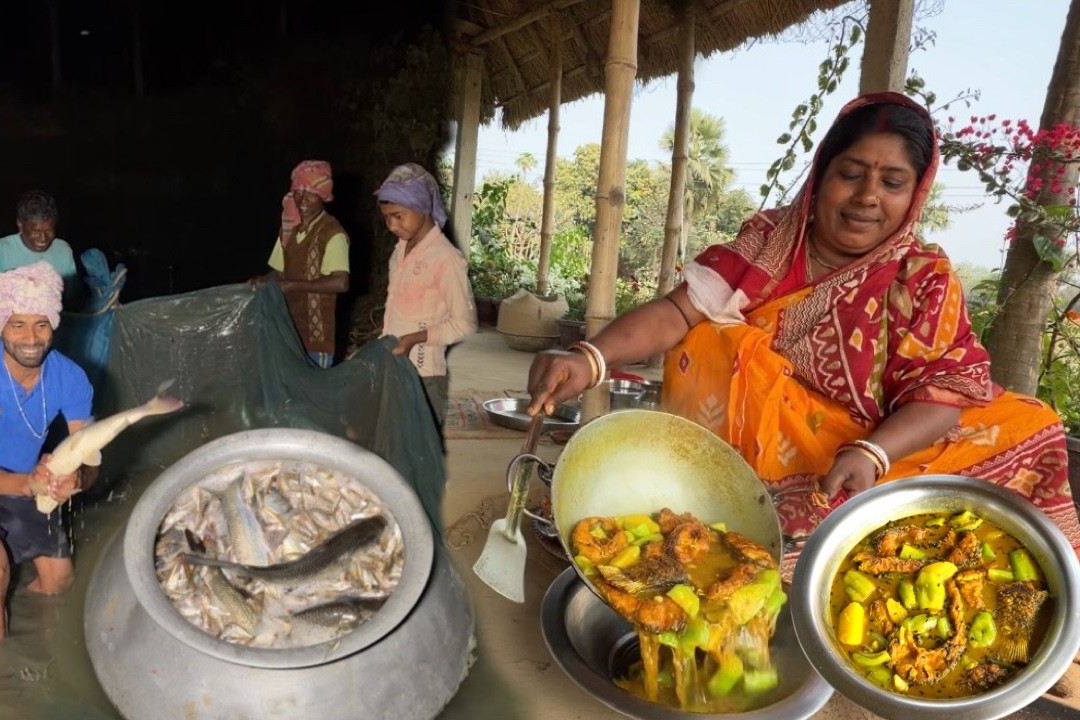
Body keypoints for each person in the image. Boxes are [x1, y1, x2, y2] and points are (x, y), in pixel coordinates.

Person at [526, 92, 1080, 564]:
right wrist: (590, 359)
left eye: (892, 182)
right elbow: (676, 313)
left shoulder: (921, 276)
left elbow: (942, 394)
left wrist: (872, 453)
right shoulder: (768, 244)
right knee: (715, 338)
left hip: (880, 446)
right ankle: (737, 501)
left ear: (915, 194)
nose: (867, 196)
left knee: (1034, 427)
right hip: (761, 455)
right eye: (851, 174)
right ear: (821, 178)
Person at [0, 261, 97, 642]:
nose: (31, 338)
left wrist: (77, 478)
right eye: (17, 325)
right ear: (0, 327)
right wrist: (29, 484)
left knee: (59, 583)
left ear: (53, 325)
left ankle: (40, 646)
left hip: (27, 480)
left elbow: (90, 458)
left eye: (41, 324)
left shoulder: (72, 378)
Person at [376, 162, 477, 428]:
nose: (391, 225)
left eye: (398, 216)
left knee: (417, 446)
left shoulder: (446, 259)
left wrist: (414, 339)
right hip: (393, 370)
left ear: (421, 206)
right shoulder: (400, 253)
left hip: (424, 377)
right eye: (386, 218)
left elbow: (464, 323)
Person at [249, 160, 350, 368]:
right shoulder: (289, 229)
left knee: (315, 386)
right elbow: (279, 271)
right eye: (298, 193)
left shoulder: (332, 234)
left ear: (323, 197)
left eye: (311, 195)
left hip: (315, 336)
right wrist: (261, 281)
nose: (302, 201)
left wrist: (294, 286)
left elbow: (341, 282)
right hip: (287, 329)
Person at [0, 190, 81, 304]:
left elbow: (72, 298)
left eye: (49, 231)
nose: (43, 238)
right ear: (20, 225)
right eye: (36, 231)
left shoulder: (63, 250)